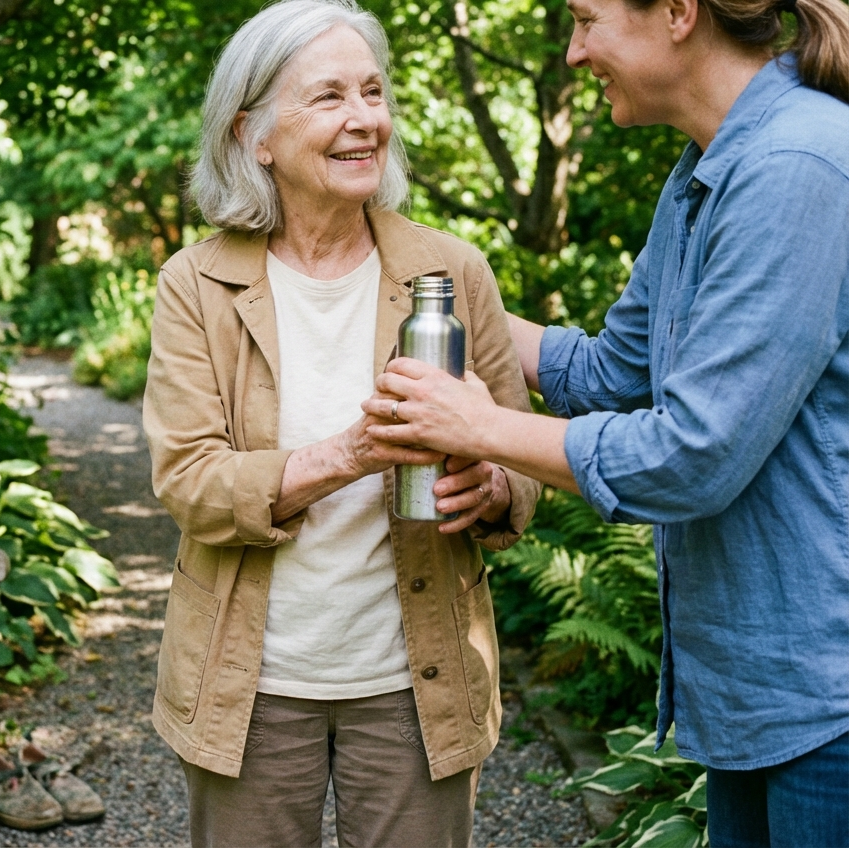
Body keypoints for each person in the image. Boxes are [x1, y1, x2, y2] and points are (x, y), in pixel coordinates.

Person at [361, 0, 849, 842]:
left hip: (828, 704)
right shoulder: (704, 171)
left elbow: (692, 455)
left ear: (676, 13)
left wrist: (475, 428)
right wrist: (423, 283)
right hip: (755, 702)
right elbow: (609, 374)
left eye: (586, 20)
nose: (576, 53)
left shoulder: (798, 165)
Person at [142, 1, 541, 844]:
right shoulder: (195, 284)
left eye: (372, 92)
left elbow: (521, 451)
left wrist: (495, 484)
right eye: (328, 97)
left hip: (413, 679)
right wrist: (352, 454)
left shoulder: (451, 268)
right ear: (256, 135)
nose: (365, 119)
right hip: (248, 683)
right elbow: (190, 481)